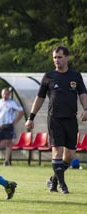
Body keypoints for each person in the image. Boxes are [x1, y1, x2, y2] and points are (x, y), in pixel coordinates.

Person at [25, 45, 87, 194]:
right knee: (57, 152)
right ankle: (63, 186)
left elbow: (83, 94)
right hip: (55, 119)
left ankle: (53, 180)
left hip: (71, 119)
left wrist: (86, 109)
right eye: (54, 57)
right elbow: (39, 98)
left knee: (70, 155)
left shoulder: (75, 76)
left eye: (59, 57)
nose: (56, 60)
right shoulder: (49, 76)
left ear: (67, 58)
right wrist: (31, 117)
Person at [0, 88, 24, 166]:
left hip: (8, 125)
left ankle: (6, 161)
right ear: (1, 94)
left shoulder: (12, 103)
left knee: (8, 143)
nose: (5, 95)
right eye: (4, 94)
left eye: (7, 94)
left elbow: (21, 111)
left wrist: (15, 121)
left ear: (9, 94)